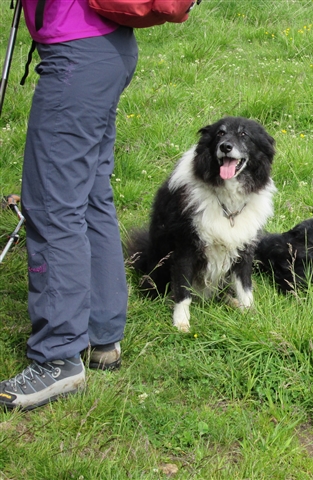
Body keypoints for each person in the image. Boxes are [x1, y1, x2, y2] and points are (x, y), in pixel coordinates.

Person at [0, 0, 138, 410]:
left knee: (51, 206)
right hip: (107, 46)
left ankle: (57, 356)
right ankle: (101, 335)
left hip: (78, 54)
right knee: (89, 195)